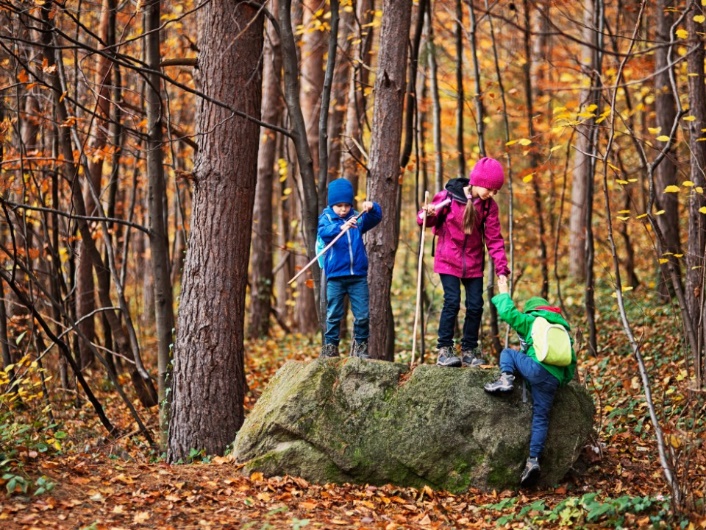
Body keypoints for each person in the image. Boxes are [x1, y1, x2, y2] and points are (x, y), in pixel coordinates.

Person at [484, 275, 577, 487]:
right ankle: (533, 460)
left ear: (532, 310)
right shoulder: (563, 330)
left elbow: (508, 313)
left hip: (536, 369)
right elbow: (571, 362)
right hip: (553, 379)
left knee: (508, 353)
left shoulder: (532, 321)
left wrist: (503, 292)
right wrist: (561, 381)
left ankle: (506, 379)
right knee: (541, 418)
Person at [417, 157, 510, 368]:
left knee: (476, 305)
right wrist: (427, 213)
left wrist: (501, 269)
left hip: (474, 262)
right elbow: (425, 220)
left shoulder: (488, 207)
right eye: (490, 188)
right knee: (452, 301)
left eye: (495, 191)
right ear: (478, 181)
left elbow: (494, 239)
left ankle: (469, 349)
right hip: (448, 259)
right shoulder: (449, 197)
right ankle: (444, 349)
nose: (491, 194)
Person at [318, 178, 382, 359]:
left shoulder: (357, 219)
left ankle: (361, 346)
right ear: (332, 205)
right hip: (336, 276)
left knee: (362, 315)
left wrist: (373, 207)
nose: (343, 209)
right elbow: (324, 232)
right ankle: (330, 346)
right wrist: (341, 226)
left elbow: (376, 218)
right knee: (334, 314)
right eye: (339, 206)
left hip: (357, 276)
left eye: (346, 205)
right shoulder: (326, 218)